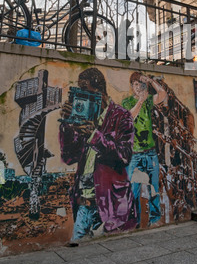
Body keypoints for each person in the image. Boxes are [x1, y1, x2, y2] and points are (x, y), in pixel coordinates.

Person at [59, 68, 137, 244]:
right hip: (84, 205)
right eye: (79, 91)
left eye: (85, 91)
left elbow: (124, 156)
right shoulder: (83, 117)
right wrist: (67, 125)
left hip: (111, 205)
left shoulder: (122, 116)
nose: (81, 97)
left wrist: (94, 135)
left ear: (99, 93)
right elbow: (69, 157)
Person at [122, 72, 167, 227]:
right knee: (133, 191)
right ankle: (135, 221)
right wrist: (140, 101)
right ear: (131, 86)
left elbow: (162, 94)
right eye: (136, 85)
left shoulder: (149, 100)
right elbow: (129, 117)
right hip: (134, 154)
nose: (139, 88)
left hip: (150, 152)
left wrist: (151, 81)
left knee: (154, 187)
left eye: (141, 85)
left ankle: (154, 220)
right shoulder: (127, 102)